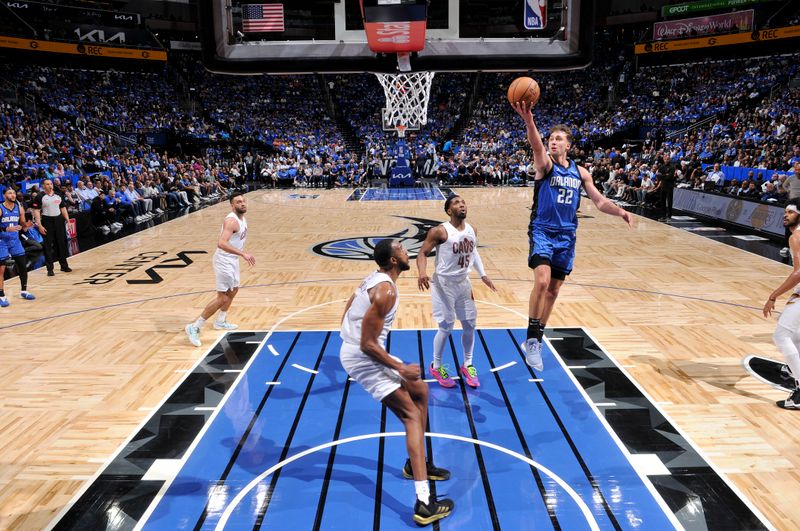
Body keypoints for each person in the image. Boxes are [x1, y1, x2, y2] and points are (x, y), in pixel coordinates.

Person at [340, 239, 454, 526]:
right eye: (402, 248)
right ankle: (424, 503)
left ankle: (417, 464)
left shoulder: (376, 279)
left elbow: (347, 307)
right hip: (363, 356)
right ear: (393, 260)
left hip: (362, 351)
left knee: (421, 390)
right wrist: (400, 367)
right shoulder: (385, 290)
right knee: (411, 415)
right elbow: (367, 343)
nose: (406, 250)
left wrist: (350, 336)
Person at [513, 101, 633, 370]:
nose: (552, 142)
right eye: (551, 139)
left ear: (569, 145)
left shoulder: (581, 172)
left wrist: (620, 211)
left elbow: (600, 202)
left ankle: (539, 339)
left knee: (554, 291)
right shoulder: (544, 165)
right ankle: (531, 340)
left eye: (558, 139)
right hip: (543, 229)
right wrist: (529, 121)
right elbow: (535, 146)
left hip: (567, 235)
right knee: (542, 282)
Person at [416, 195, 496, 388]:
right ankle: (436, 365)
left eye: (463, 202)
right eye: (456, 203)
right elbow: (422, 253)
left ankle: (467, 364)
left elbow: (473, 251)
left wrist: (483, 274)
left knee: (469, 324)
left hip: (463, 282)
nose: (461, 204)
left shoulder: (472, 229)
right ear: (449, 210)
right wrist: (421, 272)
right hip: (443, 283)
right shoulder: (440, 232)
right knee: (446, 326)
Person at [185, 192, 255, 347]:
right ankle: (194, 327)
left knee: (234, 290)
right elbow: (221, 243)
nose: (242, 203)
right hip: (224, 260)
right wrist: (243, 253)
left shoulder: (243, 219)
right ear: (232, 205)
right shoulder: (231, 221)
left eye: (243, 201)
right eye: (238, 202)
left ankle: (220, 321)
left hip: (232, 260)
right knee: (222, 298)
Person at [763, 198, 800, 409]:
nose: (785, 215)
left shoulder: (796, 237)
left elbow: (799, 273)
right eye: (785, 211)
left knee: (781, 335)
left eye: (790, 212)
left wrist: (773, 295)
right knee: (796, 337)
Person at [0, 187, 35, 306]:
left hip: (15, 240)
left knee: (22, 266)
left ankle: (24, 290)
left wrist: (28, 225)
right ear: (4, 195)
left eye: (14, 193)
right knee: (1, 269)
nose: (13, 195)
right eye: (10, 193)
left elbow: (23, 225)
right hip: (2, 241)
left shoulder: (19, 208)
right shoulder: (0, 208)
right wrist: (6, 228)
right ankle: (1, 295)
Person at [31, 179, 72, 276]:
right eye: (47, 184)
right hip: (47, 221)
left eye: (51, 184)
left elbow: (63, 208)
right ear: (43, 186)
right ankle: (50, 269)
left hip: (58, 220)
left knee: (61, 244)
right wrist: (39, 225)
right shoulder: (40, 196)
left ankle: (64, 265)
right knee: (48, 246)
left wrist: (68, 220)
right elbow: (36, 211)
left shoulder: (58, 195)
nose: (50, 185)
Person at [656, 153, 676, 221]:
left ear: (669, 159)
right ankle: (663, 216)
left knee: (669, 201)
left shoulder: (672, 167)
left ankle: (669, 216)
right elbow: (658, 175)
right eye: (665, 159)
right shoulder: (662, 166)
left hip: (669, 186)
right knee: (662, 201)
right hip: (663, 186)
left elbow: (669, 177)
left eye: (667, 159)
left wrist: (663, 175)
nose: (666, 160)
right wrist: (665, 175)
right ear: (664, 159)